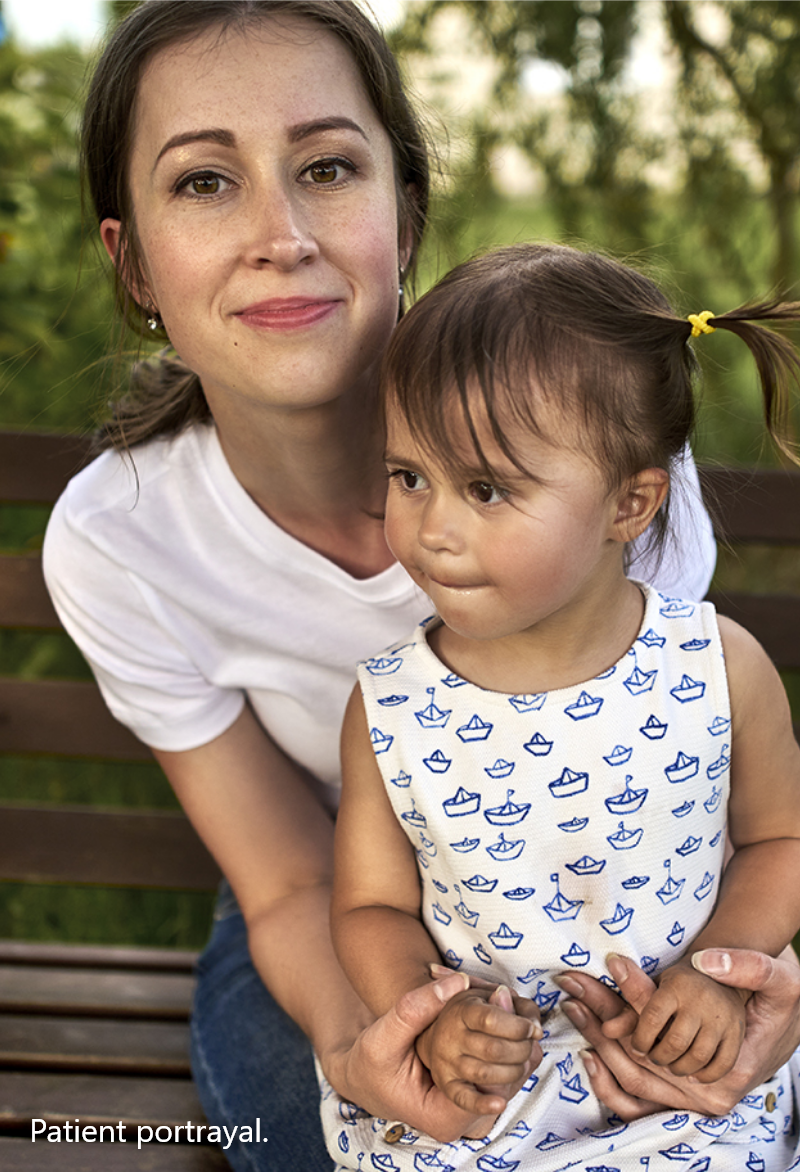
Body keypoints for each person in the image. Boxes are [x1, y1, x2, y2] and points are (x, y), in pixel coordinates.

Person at [38, 0, 799, 1164]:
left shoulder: (588, 449)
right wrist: (371, 1035)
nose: (280, 233)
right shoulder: (120, 543)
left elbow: (689, 782)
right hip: (346, 904)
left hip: (643, 902)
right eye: (203, 182)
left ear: (404, 211)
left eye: (326, 167)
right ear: (132, 259)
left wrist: (740, 978)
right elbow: (289, 880)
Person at [324, 242, 800, 1170]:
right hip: (484, 1096)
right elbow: (371, 905)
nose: (432, 528)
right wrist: (432, 1016)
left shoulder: (715, 667)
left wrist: (721, 973)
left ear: (630, 504)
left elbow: (783, 839)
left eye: (486, 488)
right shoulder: (390, 705)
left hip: (678, 1080)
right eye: (409, 476)